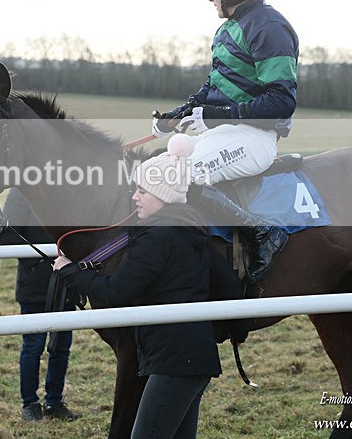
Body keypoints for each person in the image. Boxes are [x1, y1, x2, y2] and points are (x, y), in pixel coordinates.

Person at [53, 134, 225, 438]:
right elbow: (228, 285)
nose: (134, 197)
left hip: (172, 363)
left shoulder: (155, 238)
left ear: (162, 194)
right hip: (193, 360)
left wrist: (70, 271)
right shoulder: (195, 230)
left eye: (142, 191)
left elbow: (115, 293)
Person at [152, 0, 299, 282]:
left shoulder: (269, 27)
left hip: (255, 139)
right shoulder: (228, 28)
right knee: (158, 169)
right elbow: (213, 88)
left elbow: (282, 101)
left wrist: (218, 116)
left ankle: (264, 233)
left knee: (180, 177)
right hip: (226, 135)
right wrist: (178, 115)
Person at [0, 188, 80, 422]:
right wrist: (39, 262)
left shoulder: (66, 191)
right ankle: (30, 403)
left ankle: (54, 401)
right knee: (34, 345)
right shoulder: (20, 192)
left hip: (65, 281)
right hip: (35, 285)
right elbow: (7, 235)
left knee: (61, 345)